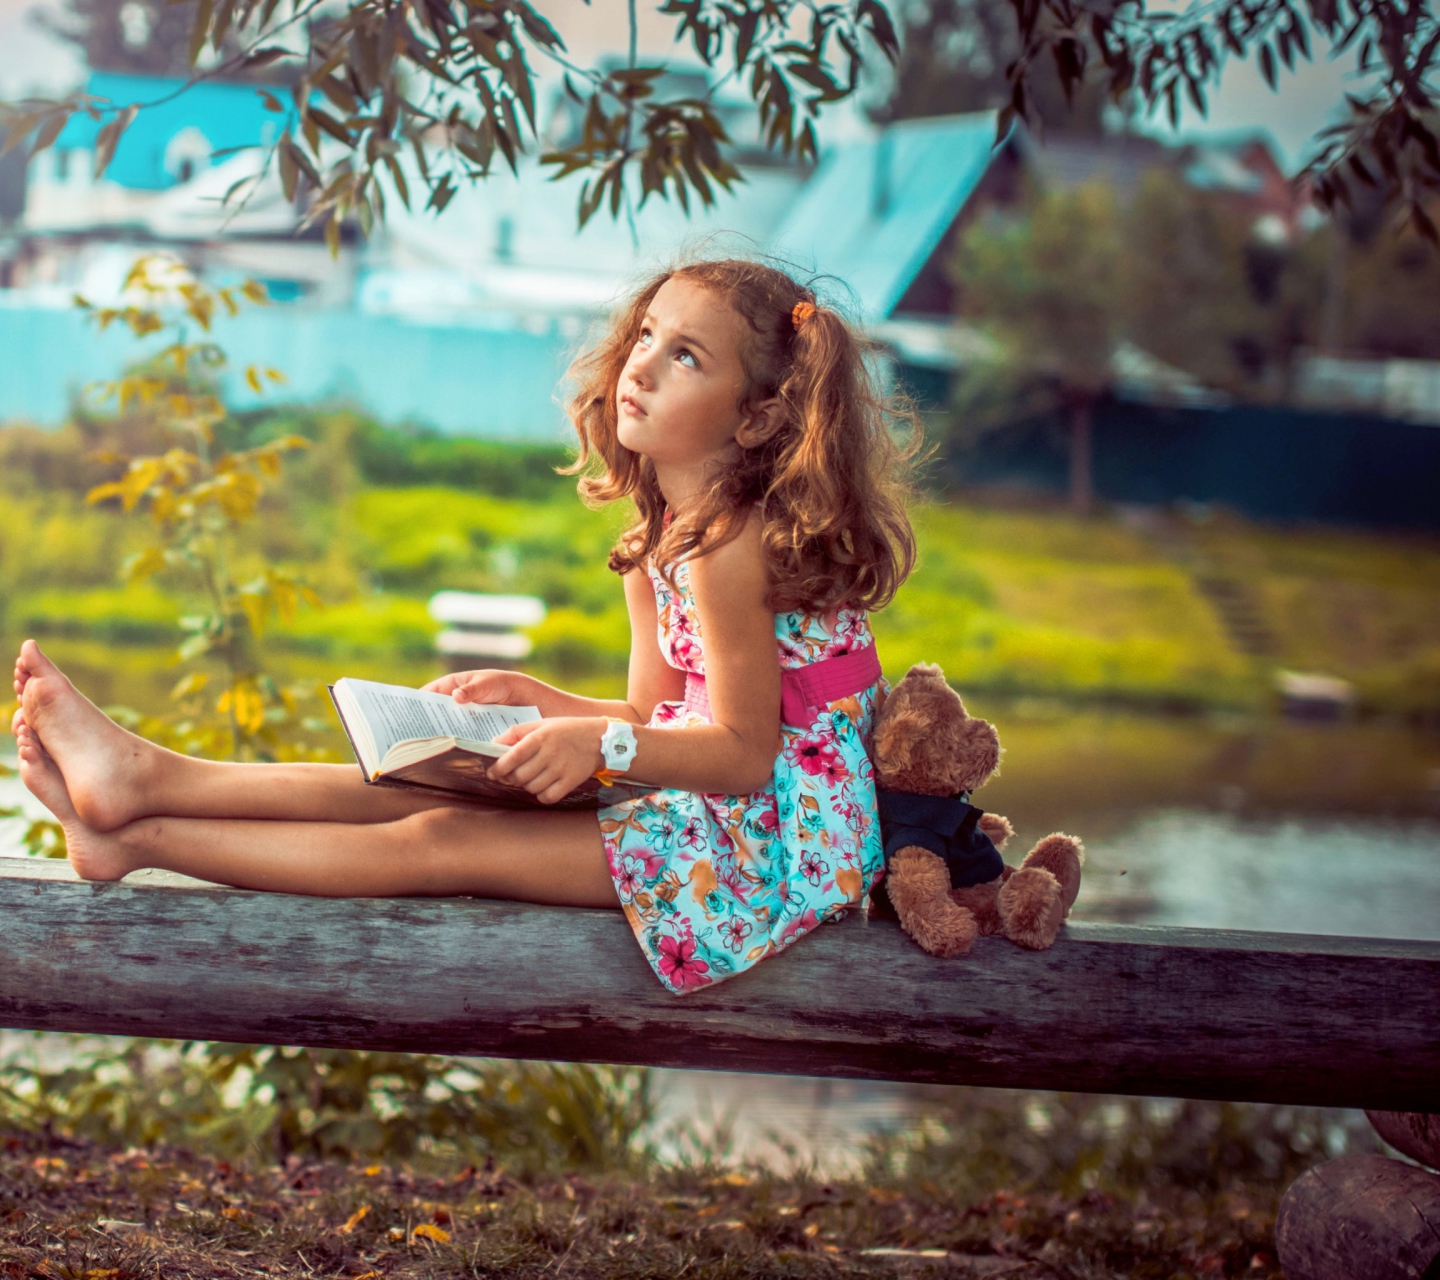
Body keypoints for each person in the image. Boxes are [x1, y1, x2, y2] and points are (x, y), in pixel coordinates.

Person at [10, 257, 917, 994]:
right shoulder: (655, 544)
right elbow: (654, 713)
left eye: (686, 357)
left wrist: (593, 742)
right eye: (646, 335)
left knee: (447, 840)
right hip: (716, 801)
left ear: (757, 416)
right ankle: (146, 778)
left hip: (776, 845)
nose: (639, 365)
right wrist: (542, 702)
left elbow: (744, 751)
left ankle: (135, 838)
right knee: (413, 785)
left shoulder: (729, 551)